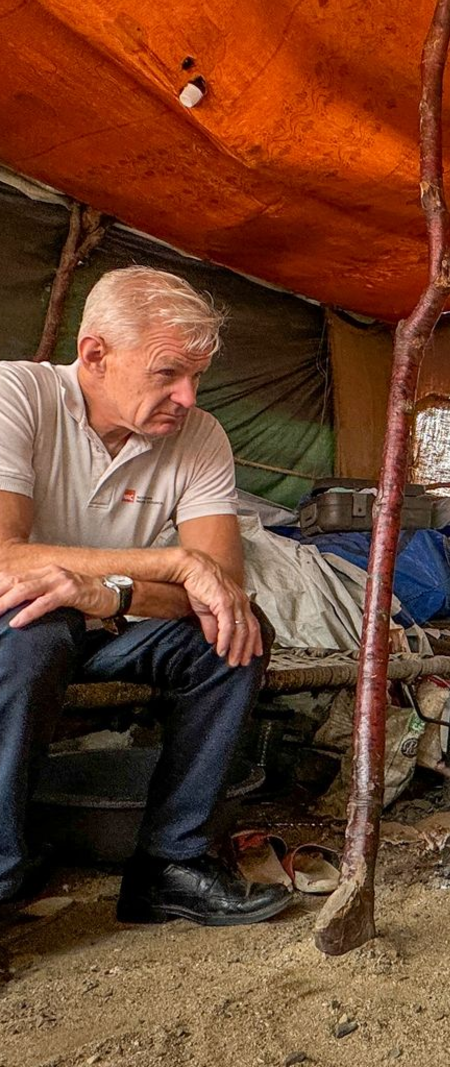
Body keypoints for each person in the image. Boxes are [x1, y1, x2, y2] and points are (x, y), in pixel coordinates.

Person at [0, 266, 291, 925]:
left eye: (197, 377)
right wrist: (172, 562)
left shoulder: (200, 436)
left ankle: (169, 864)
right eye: (168, 373)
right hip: (21, 624)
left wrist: (111, 592)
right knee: (31, 632)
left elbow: (221, 588)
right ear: (95, 354)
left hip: (113, 619)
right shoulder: (17, 395)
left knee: (236, 633)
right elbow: (6, 559)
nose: (186, 396)